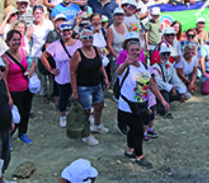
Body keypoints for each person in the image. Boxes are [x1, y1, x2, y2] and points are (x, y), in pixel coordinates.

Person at [115, 37, 168, 169]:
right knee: (138, 130)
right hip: (127, 106)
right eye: (132, 50)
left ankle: (129, 151)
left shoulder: (144, 66)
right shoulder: (126, 67)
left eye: (137, 50)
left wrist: (161, 100)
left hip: (141, 105)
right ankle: (139, 156)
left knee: (134, 130)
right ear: (127, 52)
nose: (135, 52)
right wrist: (126, 63)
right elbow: (118, 72)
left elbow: (150, 84)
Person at [69, 27, 111, 147]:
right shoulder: (77, 54)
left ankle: (97, 125)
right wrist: (75, 90)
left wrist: (106, 78)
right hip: (84, 87)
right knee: (86, 111)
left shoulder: (97, 49)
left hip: (96, 84)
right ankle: (86, 134)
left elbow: (100, 65)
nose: (88, 39)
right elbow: (72, 73)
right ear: (81, 40)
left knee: (100, 105)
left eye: (90, 37)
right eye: (85, 38)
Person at [41, 22, 81, 128]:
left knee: (79, 97)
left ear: (72, 31)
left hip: (77, 77)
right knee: (63, 98)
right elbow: (43, 57)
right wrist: (51, 70)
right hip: (63, 77)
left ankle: (79, 115)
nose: (67, 33)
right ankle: (63, 116)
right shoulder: (55, 45)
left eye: (69, 30)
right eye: (64, 31)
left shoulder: (79, 43)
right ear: (60, 32)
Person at [1, 30, 34, 145]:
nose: (17, 42)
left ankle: (22, 133)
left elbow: (31, 63)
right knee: (15, 117)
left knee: (25, 113)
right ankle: (7, 137)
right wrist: (8, 96)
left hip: (27, 89)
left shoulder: (23, 52)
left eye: (18, 39)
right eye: (14, 40)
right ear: (8, 42)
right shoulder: (5, 59)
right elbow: (3, 79)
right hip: (14, 91)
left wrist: (31, 70)